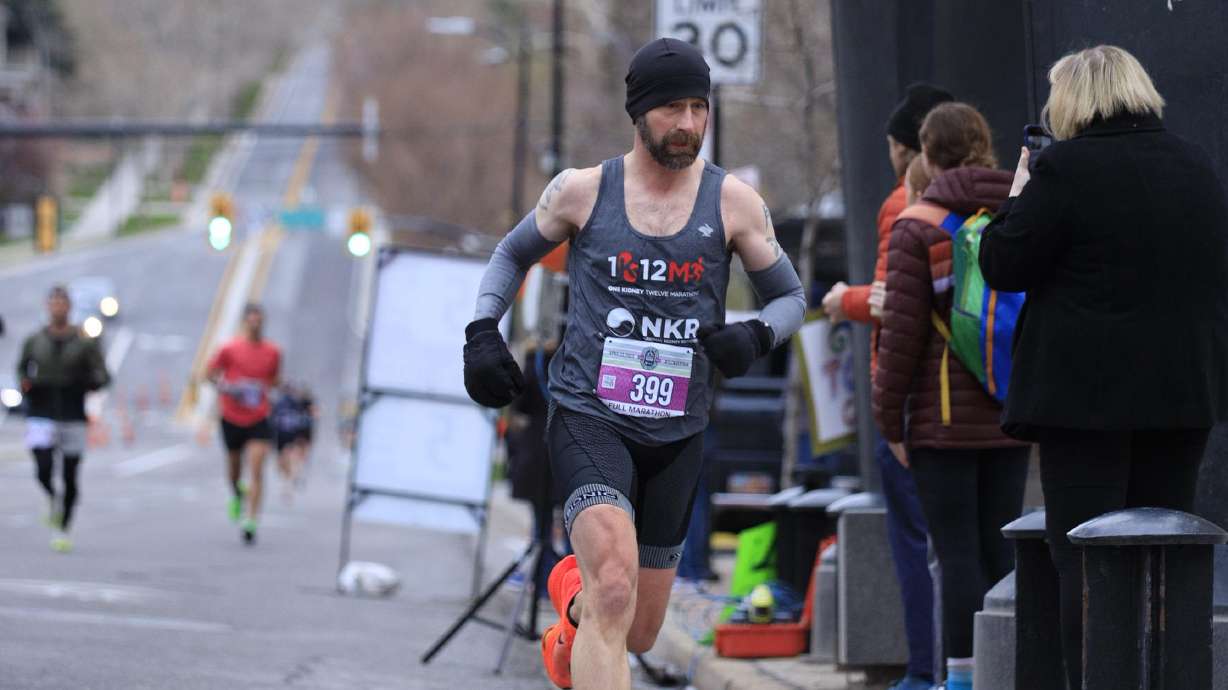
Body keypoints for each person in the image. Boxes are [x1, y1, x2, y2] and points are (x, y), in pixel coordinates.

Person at [462, 37, 806, 690]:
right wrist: (483, 330)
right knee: (615, 589)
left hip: (678, 428)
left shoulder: (732, 203)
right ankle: (590, 601)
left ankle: (571, 609)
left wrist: (756, 335)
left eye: (699, 108)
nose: (688, 124)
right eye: (672, 108)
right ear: (639, 113)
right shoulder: (582, 192)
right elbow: (511, 255)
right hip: (591, 413)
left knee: (638, 627)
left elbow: (790, 297)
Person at [978, 45, 1228, 690]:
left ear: (1075, 100)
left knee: (1085, 563)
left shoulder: (1065, 171)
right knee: (1163, 559)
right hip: (1182, 395)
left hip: (1083, 404)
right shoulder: (1196, 165)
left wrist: (1019, 191)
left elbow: (1005, 265)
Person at [873, 102, 1030, 690]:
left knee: (956, 553)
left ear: (928, 154)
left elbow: (903, 337)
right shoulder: (1018, 215)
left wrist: (891, 421)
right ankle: (1008, 671)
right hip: (1010, 412)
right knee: (1001, 552)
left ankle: (962, 681)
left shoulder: (919, 225)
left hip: (941, 421)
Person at [821, 83, 951, 690]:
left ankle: (926, 672)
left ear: (907, 147)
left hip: (917, 408)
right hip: (982, 406)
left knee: (914, 542)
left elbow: (889, 306)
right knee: (969, 547)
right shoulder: (998, 196)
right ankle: (968, 671)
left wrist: (840, 300)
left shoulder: (904, 202)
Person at [16, 285, 110, 553]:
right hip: (41, 411)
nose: (58, 308)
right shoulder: (35, 340)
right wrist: (26, 384)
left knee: (70, 475)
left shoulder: (83, 342)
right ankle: (50, 496)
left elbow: (102, 375)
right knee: (43, 465)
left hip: (72, 412)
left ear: (69, 307)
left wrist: (89, 383)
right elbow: (22, 369)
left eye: (62, 303)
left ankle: (63, 527)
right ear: (47, 307)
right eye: (53, 303)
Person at [206, 303, 281, 545]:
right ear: (244, 323)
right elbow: (210, 374)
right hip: (231, 415)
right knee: (234, 469)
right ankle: (237, 493)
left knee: (257, 468)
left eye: (259, 321)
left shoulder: (273, 352)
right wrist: (227, 387)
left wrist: (263, 388)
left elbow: (275, 380)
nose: (255, 325)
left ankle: (251, 520)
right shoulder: (229, 348)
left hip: (258, 416)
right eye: (251, 321)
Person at [271, 383, 314, 497]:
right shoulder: (278, 405)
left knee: (292, 459)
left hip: (293, 437)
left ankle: (288, 485)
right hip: (281, 437)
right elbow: (272, 420)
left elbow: (307, 418)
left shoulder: (298, 404)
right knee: (281, 464)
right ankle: (289, 480)